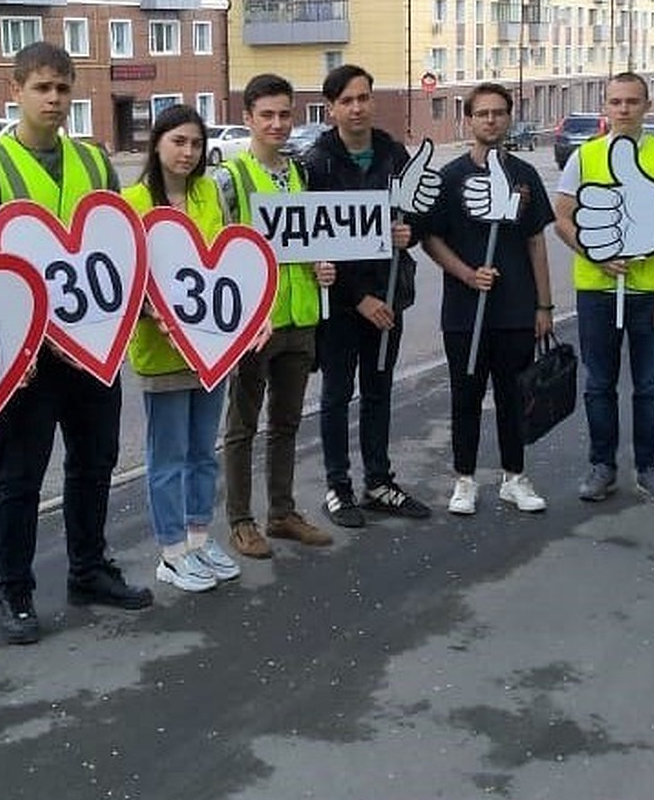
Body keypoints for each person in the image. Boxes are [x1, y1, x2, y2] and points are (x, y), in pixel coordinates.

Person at [0, 42, 152, 642]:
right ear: (14, 91)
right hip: (28, 360)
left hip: (94, 349)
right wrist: (20, 344)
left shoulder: (95, 164)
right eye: (41, 87)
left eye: (63, 88)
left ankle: (89, 569)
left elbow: (117, 250)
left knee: (94, 464)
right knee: (19, 477)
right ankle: (14, 591)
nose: (53, 99)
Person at [303, 64, 431, 526]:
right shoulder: (317, 164)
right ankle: (339, 488)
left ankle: (378, 481)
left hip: (389, 296)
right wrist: (360, 299)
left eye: (363, 97)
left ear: (372, 100)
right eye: (346, 100)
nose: (357, 107)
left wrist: (408, 233)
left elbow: (418, 218)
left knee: (378, 390)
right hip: (342, 304)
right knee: (337, 393)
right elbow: (319, 240)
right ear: (332, 108)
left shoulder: (394, 154)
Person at [122, 105, 243, 592]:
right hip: (162, 349)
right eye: (178, 142)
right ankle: (170, 551)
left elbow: (230, 259)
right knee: (168, 454)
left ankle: (197, 537)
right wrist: (156, 313)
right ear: (157, 144)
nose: (188, 153)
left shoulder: (210, 192)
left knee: (202, 451)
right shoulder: (132, 202)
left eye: (195, 144)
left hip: (211, 349)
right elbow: (125, 277)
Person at [555, 72, 654, 505]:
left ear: (646, 106)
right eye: (616, 102)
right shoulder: (585, 156)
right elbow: (562, 218)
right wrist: (594, 252)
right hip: (596, 291)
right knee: (599, 384)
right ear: (605, 107)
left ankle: (649, 469)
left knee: (650, 385)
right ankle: (603, 467)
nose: (624, 109)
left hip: (650, 292)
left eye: (633, 101)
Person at [215, 73, 334, 559]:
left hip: (300, 316)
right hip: (254, 325)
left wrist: (323, 263)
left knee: (286, 422)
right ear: (248, 119)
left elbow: (316, 237)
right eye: (267, 115)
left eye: (285, 114)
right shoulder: (231, 178)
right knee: (242, 426)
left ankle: (281, 513)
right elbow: (218, 253)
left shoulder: (303, 174)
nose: (278, 123)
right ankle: (241, 521)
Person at [422, 82, 554, 515]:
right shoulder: (452, 177)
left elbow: (536, 242)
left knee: (514, 398)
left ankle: (514, 477)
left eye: (499, 112)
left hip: (516, 309)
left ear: (509, 118)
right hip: (465, 312)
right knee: (466, 396)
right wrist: (466, 273)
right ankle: (464, 479)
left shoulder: (525, 176)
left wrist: (544, 306)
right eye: (483, 113)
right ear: (469, 119)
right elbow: (431, 239)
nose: (491, 120)